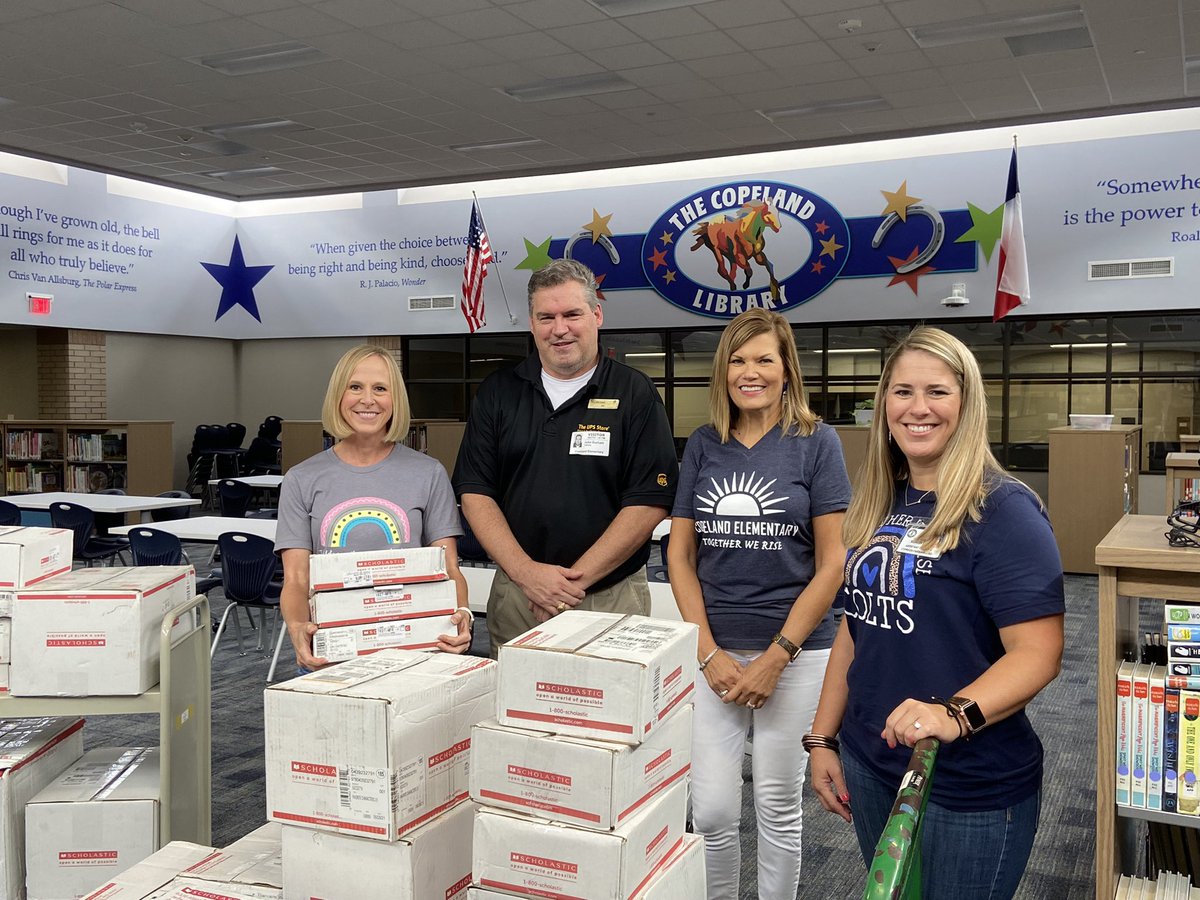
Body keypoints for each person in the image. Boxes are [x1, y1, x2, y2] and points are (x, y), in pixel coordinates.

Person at [808, 326, 1065, 900]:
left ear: (967, 405)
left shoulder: (1003, 510)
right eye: (902, 392)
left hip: (965, 782)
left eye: (937, 392)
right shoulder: (881, 498)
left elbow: (1039, 654)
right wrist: (822, 738)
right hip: (872, 762)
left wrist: (954, 713)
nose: (917, 408)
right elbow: (855, 627)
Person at [667, 308, 851, 900]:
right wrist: (706, 651)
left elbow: (833, 563)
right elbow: (679, 557)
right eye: (738, 361)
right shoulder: (704, 444)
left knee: (777, 804)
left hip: (797, 654)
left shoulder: (817, 443)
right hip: (713, 654)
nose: (751, 372)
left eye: (764, 359)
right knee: (711, 809)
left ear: (787, 368)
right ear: (723, 372)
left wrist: (777, 656)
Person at [453, 258, 677, 657]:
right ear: (532, 323)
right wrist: (528, 575)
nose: (560, 329)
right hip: (518, 596)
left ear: (596, 315)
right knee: (516, 697)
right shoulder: (498, 392)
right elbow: (475, 493)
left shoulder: (635, 393)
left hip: (609, 595)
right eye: (547, 317)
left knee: (611, 697)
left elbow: (648, 503)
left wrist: (566, 586)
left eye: (572, 314)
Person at [276, 345, 473, 670]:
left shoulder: (429, 473)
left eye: (380, 388)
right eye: (355, 387)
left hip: (416, 652)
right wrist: (298, 628)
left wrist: (462, 613)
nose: (367, 399)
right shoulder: (301, 479)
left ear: (395, 400)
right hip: (332, 653)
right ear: (338, 395)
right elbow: (296, 579)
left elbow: (448, 567)